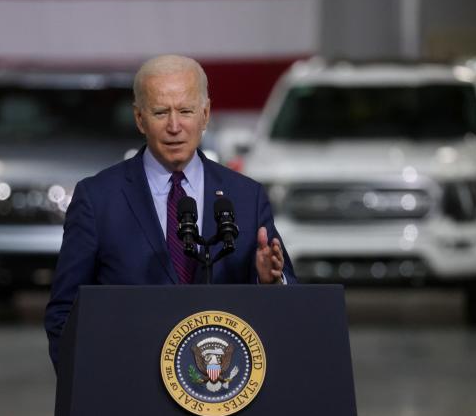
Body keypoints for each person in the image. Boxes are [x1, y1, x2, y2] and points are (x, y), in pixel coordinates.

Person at [44, 55, 296, 369]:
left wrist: (269, 283)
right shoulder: (97, 198)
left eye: (186, 111)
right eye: (161, 112)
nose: (174, 126)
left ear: (205, 114)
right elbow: (65, 312)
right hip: (130, 386)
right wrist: (85, 389)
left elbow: (288, 303)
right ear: (139, 118)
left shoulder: (246, 196)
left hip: (220, 390)